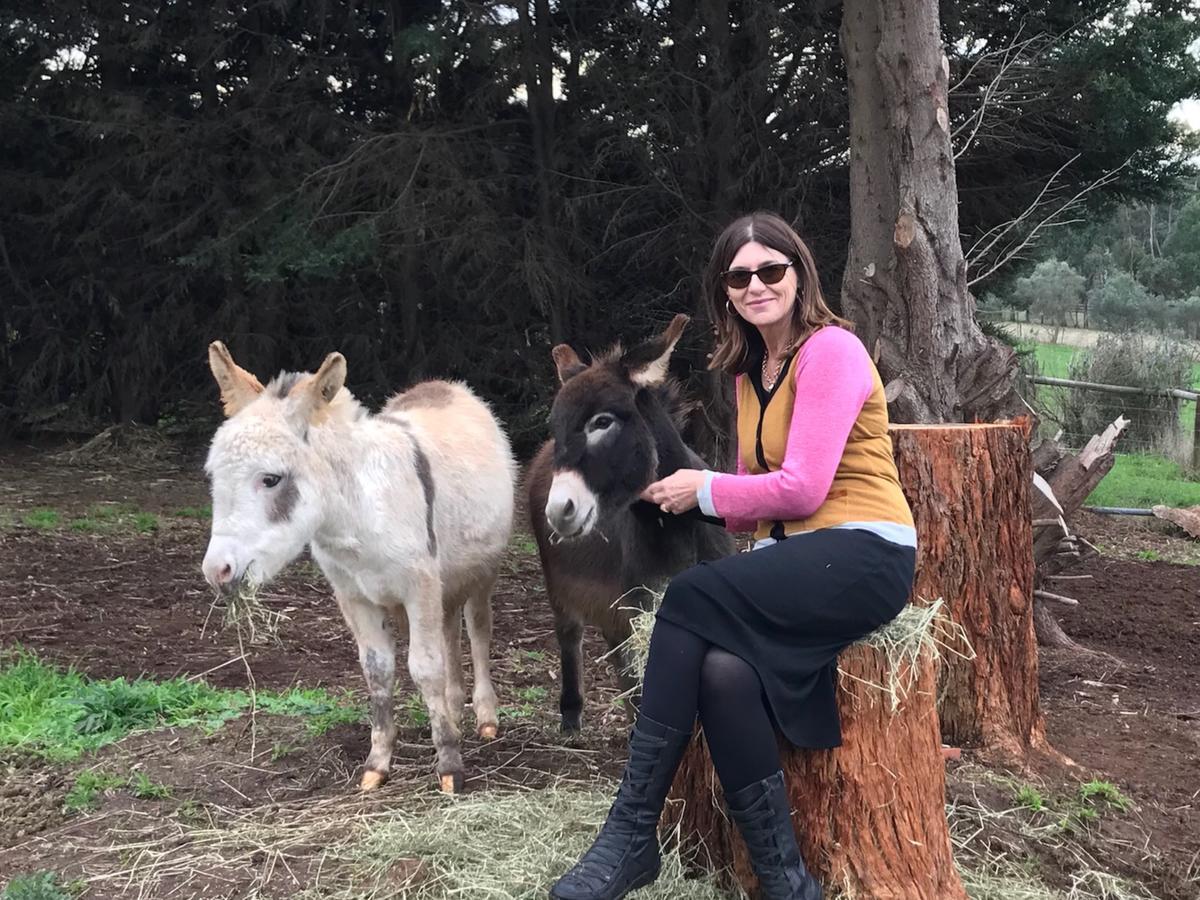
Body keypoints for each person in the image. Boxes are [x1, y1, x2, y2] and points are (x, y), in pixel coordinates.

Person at [547, 211, 917, 900]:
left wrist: (704, 488)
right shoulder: (751, 374)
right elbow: (756, 496)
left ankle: (631, 833)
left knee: (687, 597)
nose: (756, 285)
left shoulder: (831, 351)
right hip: (804, 561)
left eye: (770, 270)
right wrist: (696, 500)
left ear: (798, 273)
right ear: (725, 292)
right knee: (722, 672)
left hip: (867, 551)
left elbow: (802, 487)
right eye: (739, 276)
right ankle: (786, 882)